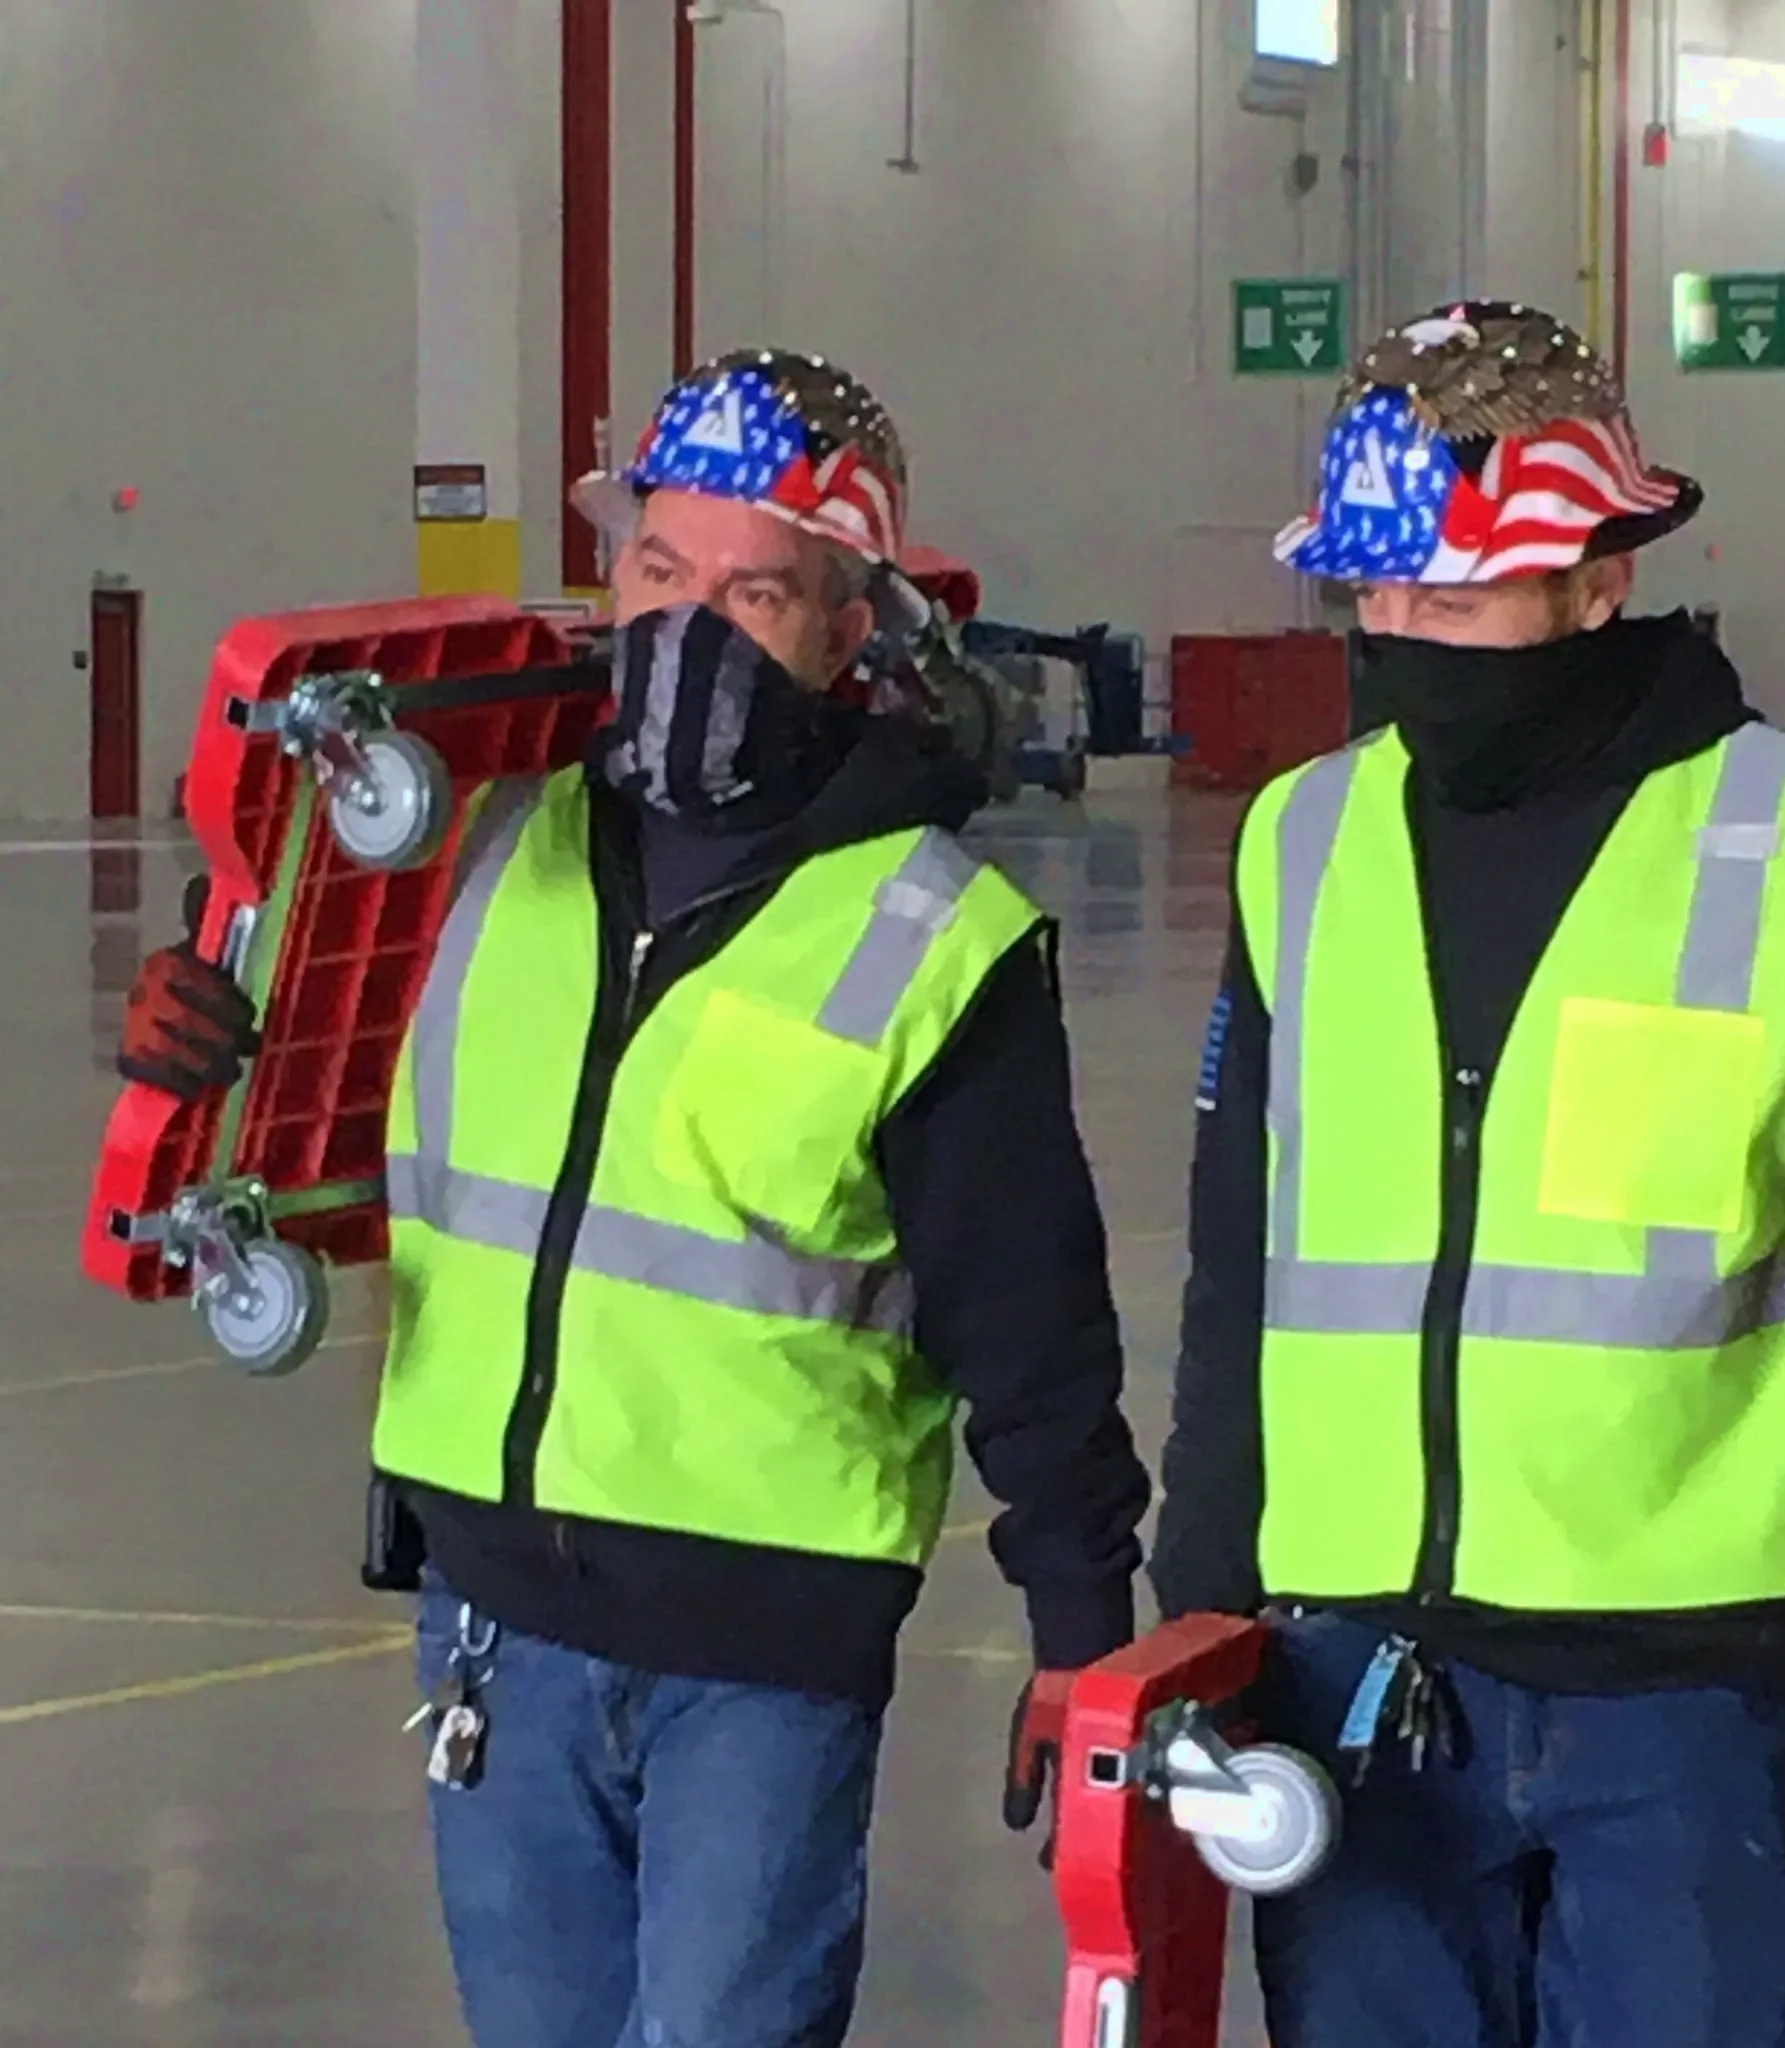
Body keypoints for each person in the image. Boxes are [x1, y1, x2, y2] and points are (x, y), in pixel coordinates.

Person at [120, 348, 1149, 2048]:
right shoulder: (480, 843)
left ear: (848, 627)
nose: (691, 624)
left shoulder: (928, 935)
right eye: (662, 572)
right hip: (490, 1621)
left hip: (762, 1650)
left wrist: (1079, 1628)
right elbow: (293, 1070)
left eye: (755, 592)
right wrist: (190, 1036)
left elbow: (1029, 1316)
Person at [1149, 302, 1785, 2047]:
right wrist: (1196, 1614)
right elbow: (1235, 1258)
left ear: (1600, 581)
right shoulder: (1299, 842)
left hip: (1676, 1698)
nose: (1404, 642)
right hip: (1350, 1677)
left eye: (1456, 602)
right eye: (1375, 599)